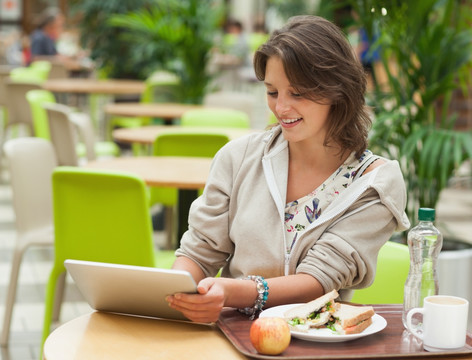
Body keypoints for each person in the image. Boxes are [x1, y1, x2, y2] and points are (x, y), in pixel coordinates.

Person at [166, 15, 410, 323]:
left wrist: (234, 291)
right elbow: (199, 251)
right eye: (272, 92)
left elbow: (319, 280)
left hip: (315, 343)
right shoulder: (238, 158)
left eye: (297, 93)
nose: (281, 107)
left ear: (337, 90)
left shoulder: (374, 183)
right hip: (230, 337)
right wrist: (179, 293)